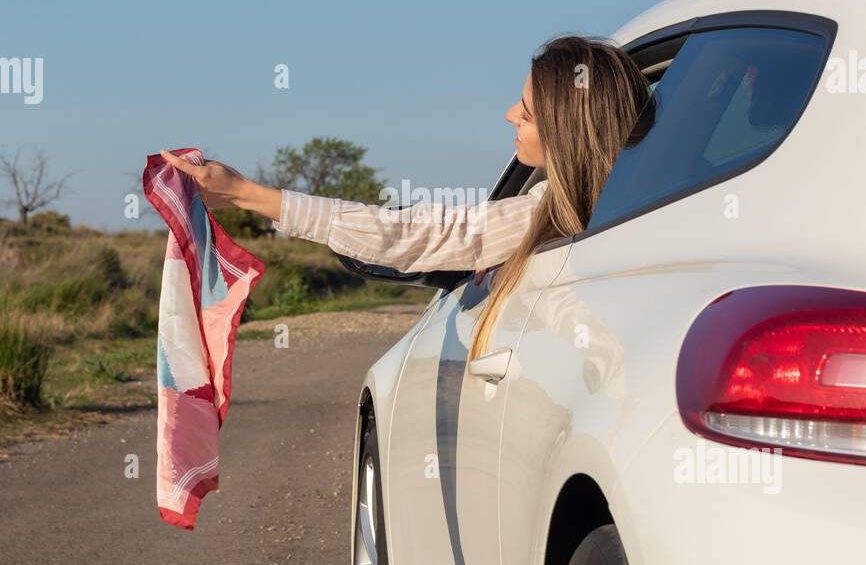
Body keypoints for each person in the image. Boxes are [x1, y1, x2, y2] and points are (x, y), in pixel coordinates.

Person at [160, 34, 650, 361]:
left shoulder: (542, 217)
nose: (506, 116)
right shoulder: (633, 211)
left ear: (566, 130)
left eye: (525, 114)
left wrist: (246, 194)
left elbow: (410, 234)